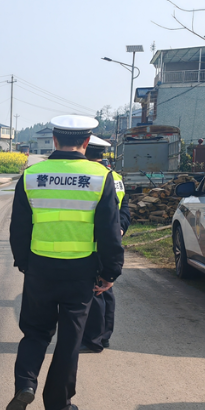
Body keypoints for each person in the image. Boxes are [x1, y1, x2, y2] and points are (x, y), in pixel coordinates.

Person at [7, 116, 124, 410]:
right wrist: (110, 273)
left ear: (55, 141)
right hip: (81, 272)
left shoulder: (32, 175)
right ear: (86, 143)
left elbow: (19, 227)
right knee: (70, 339)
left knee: (34, 332)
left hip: (40, 268)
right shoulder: (100, 176)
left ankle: (26, 384)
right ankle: (58, 407)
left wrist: (24, 263)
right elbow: (109, 231)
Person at [80, 135, 130, 352]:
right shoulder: (116, 176)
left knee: (97, 290)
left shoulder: (92, 177)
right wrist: (121, 227)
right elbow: (125, 209)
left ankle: (94, 339)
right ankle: (105, 335)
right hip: (111, 238)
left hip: (95, 241)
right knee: (106, 289)